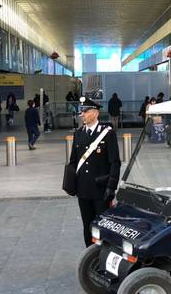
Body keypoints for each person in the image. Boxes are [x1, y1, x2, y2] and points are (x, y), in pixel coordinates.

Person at [68, 97, 121, 246]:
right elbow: (73, 161)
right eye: (81, 111)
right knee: (87, 226)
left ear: (95, 113)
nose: (82, 114)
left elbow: (114, 162)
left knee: (103, 227)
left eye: (85, 111)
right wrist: (71, 184)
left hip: (101, 190)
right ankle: (90, 258)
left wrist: (111, 187)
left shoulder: (107, 133)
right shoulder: (78, 134)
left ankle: (104, 258)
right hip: (83, 190)